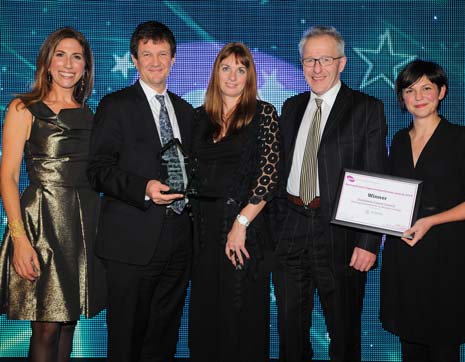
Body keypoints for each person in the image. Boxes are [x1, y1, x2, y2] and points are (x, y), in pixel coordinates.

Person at [273, 25, 387, 361]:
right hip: (291, 227)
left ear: (342, 63)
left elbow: (375, 176)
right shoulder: (291, 107)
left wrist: (368, 242)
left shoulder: (366, 108)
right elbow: (280, 169)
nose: (317, 68)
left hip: (341, 235)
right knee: (290, 330)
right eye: (309, 61)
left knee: (343, 331)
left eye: (325, 59)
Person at [87, 21, 194, 362]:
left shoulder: (187, 111)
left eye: (162, 53)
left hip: (179, 241)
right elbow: (98, 170)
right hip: (130, 243)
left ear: (173, 59)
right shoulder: (115, 105)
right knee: (127, 340)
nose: (155, 61)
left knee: (163, 338)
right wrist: (144, 188)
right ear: (134, 60)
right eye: (147, 54)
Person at [0, 27, 105, 361]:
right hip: (40, 224)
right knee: (46, 326)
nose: (68, 64)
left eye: (77, 57)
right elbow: (7, 177)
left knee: (68, 324)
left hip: (84, 225)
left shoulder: (93, 116)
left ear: (86, 68)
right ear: (46, 62)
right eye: (60, 54)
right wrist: (19, 240)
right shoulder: (23, 108)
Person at [188, 42, 280, 362]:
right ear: (215, 73)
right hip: (203, 232)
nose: (232, 76)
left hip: (245, 229)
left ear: (250, 76)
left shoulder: (264, 113)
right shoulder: (198, 117)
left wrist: (241, 223)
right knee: (205, 317)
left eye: (241, 70)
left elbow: (269, 177)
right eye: (226, 68)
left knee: (240, 317)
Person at [380, 60, 465, 362]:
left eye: (426, 88)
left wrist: (432, 220)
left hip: (447, 258)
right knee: (410, 343)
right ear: (401, 97)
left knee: (443, 345)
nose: (418, 96)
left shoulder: (460, 138)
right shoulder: (399, 141)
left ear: (441, 92)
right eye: (410, 90)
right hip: (405, 257)